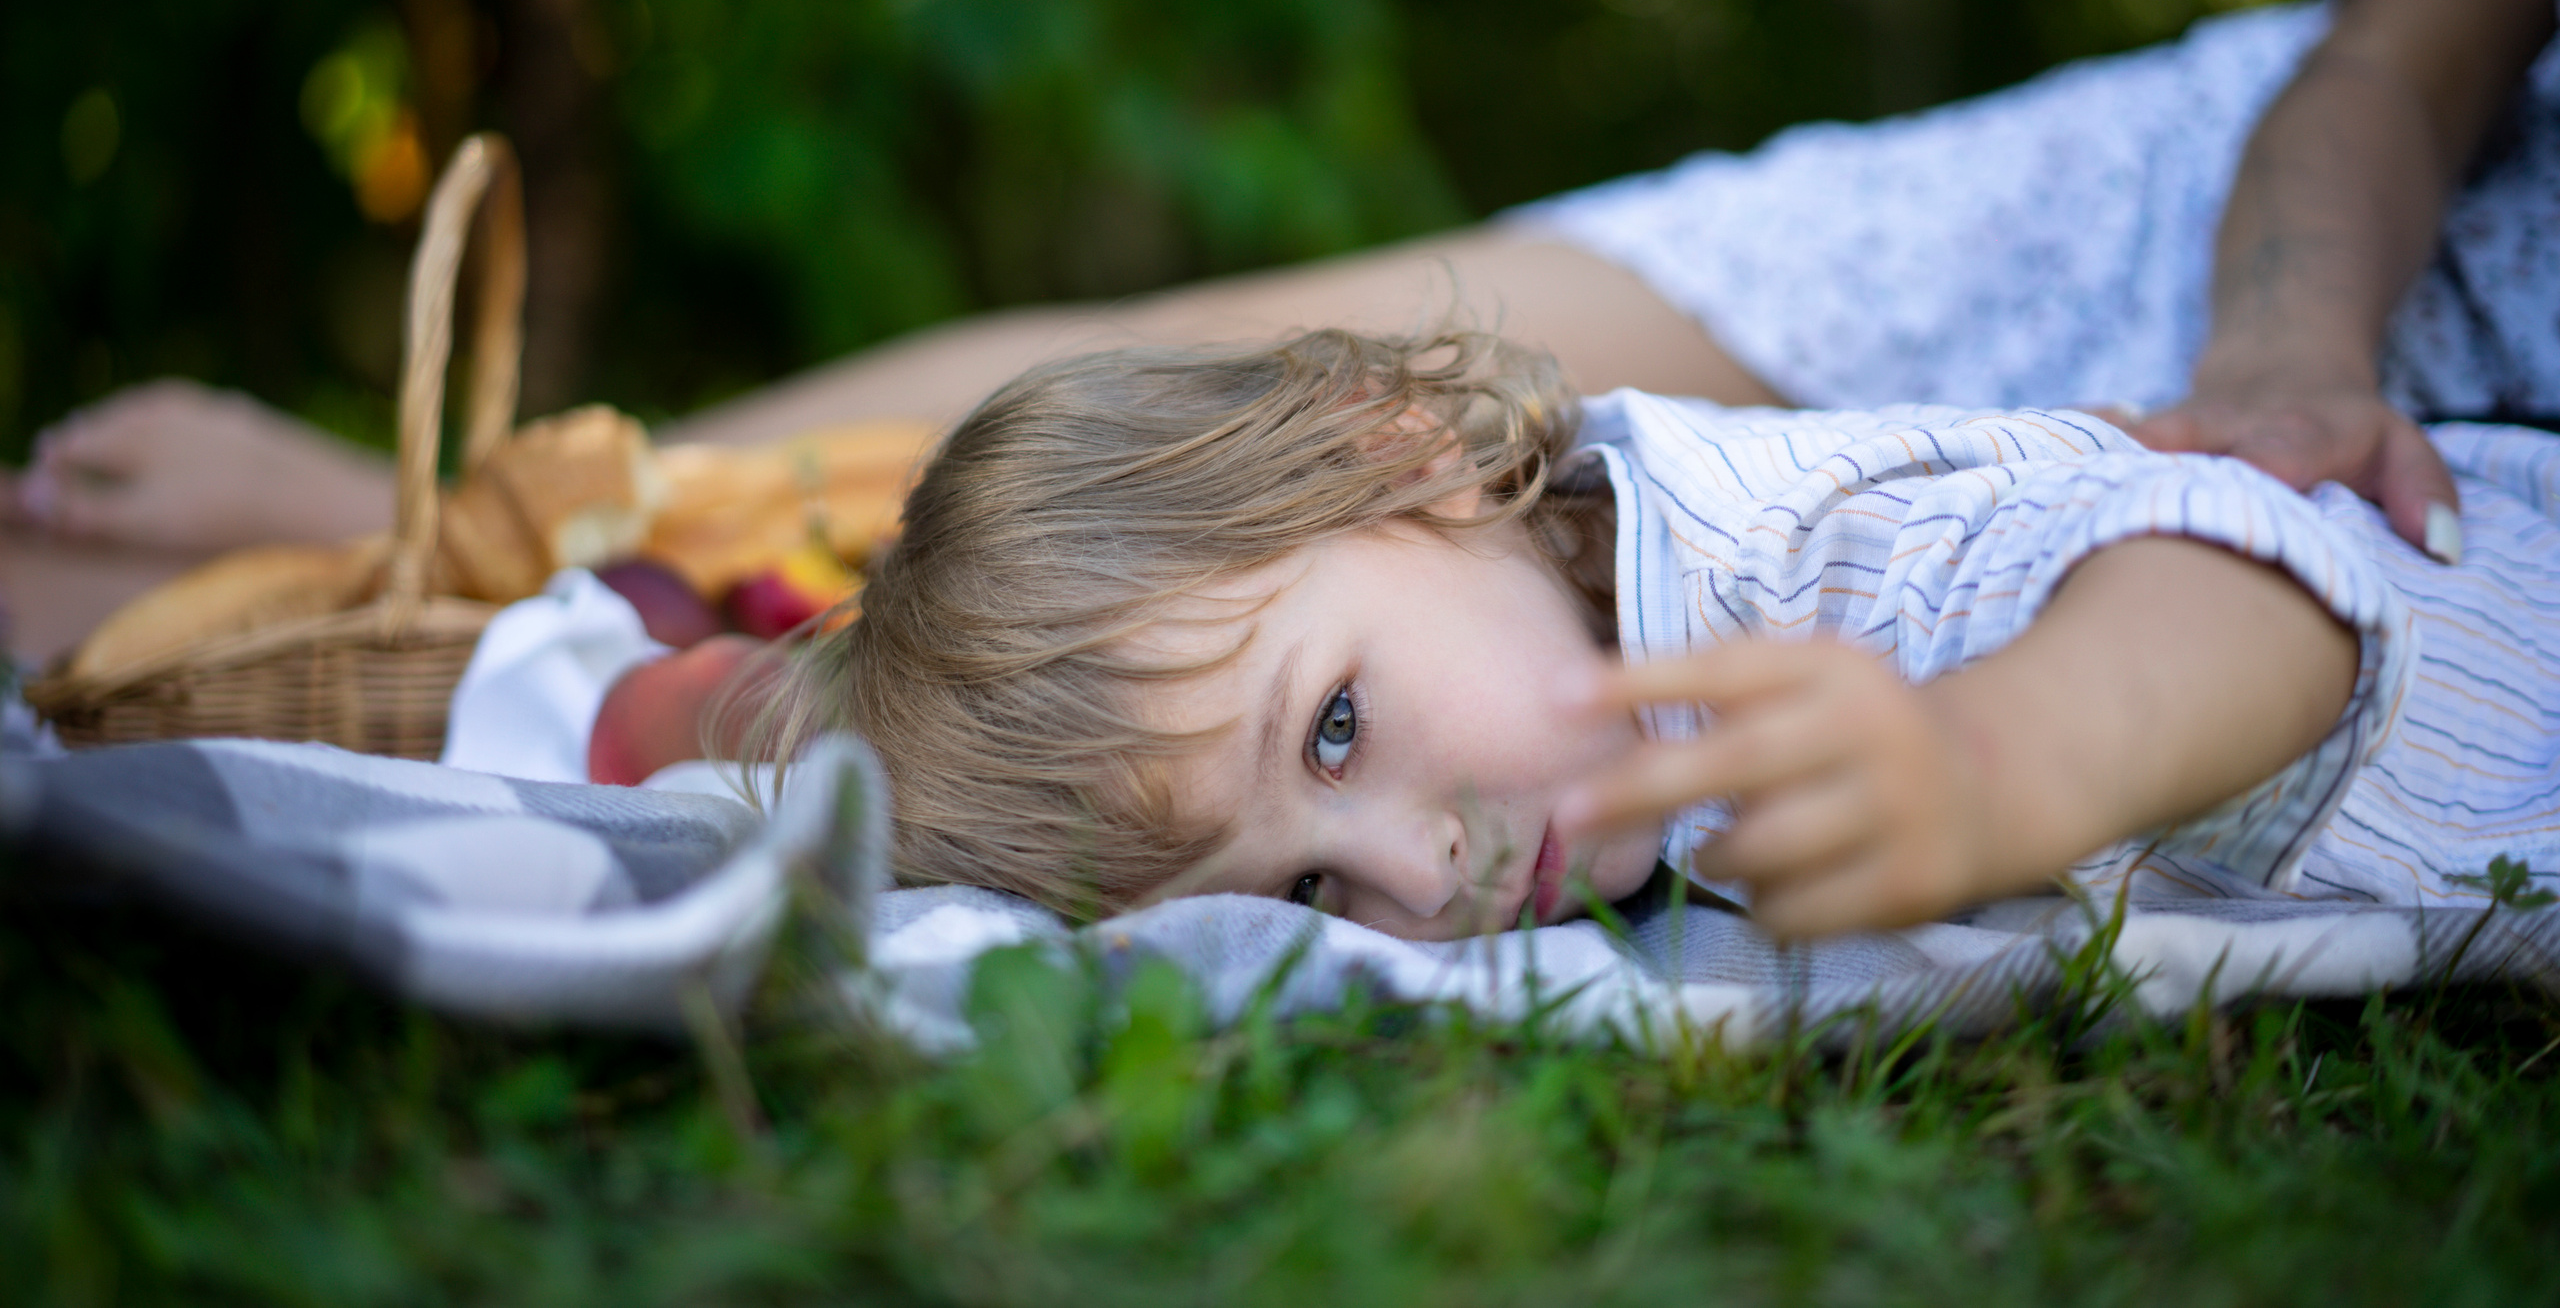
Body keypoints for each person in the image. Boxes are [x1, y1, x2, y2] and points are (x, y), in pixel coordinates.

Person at [18, 0, 2560, 589]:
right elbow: (2393, 61)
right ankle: (455, 528)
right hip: (2251, 263)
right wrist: (2274, 352)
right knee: (1226, 396)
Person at [734, 326, 2558, 940]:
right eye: (1301, 897)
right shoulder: (1612, 720)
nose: (1417, 873)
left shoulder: (1797, 564)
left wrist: (1995, 766)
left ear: (1407, 455)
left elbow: (2253, 573)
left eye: (1337, 734)